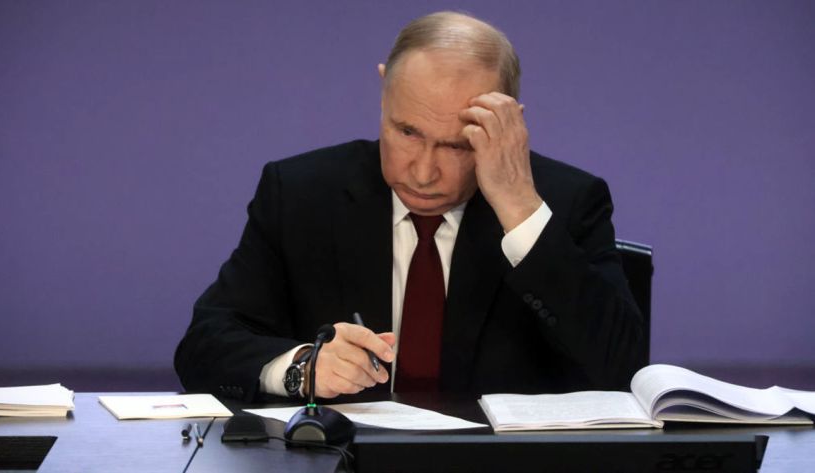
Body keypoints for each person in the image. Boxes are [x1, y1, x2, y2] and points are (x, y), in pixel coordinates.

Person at [174, 11, 645, 402]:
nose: (422, 172)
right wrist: (302, 367)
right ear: (384, 91)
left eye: (457, 145)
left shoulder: (565, 202)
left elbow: (621, 368)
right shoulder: (300, 194)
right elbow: (204, 346)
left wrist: (519, 207)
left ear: (505, 125)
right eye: (407, 132)